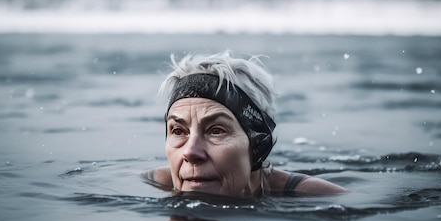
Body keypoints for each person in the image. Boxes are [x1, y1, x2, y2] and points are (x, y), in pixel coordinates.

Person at [143, 51, 348, 196]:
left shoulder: (313, 195)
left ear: (258, 145)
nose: (190, 152)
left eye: (216, 131)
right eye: (178, 131)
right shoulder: (153, 182)